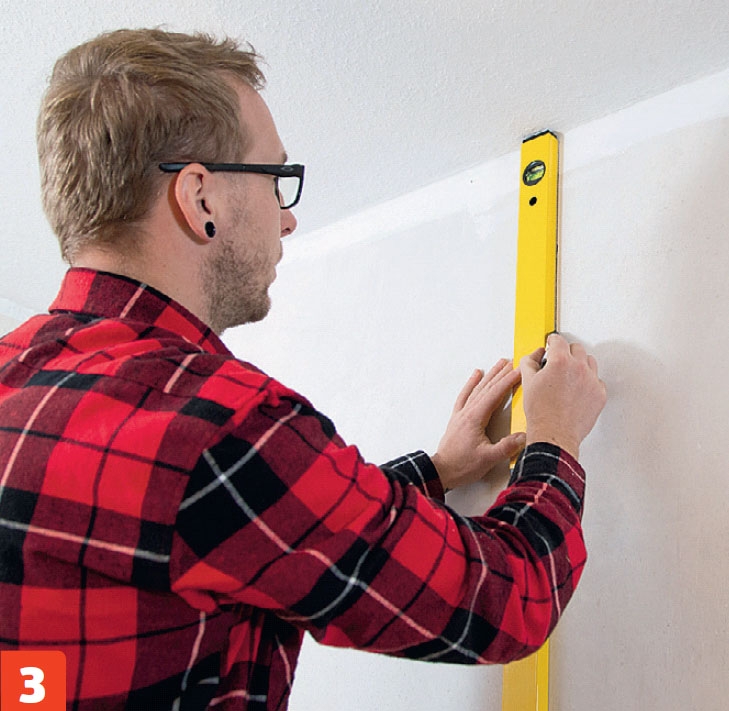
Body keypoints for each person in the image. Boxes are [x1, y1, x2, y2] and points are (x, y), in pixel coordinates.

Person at [0, 28, 606, 710]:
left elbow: (234, 523)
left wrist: (437, 471)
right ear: (199, 199)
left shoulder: (19, 376)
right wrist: (555, 436)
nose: (286, 221)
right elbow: (509, 601)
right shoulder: (219, 425)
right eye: (275, 180)